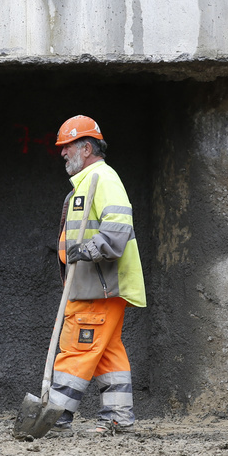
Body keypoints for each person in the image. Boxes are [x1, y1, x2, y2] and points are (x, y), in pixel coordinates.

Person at [47, 115, 146, 436]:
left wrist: (85, 252)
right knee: (108, 353)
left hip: (96, 288)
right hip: (96, 287)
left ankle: (54, 418)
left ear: (86, 147)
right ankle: (118, 418)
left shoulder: (102, 179)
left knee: (76, 349)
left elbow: (117, 234)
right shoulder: (90, 181)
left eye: (67, 146)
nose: (62, 153)